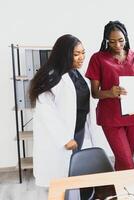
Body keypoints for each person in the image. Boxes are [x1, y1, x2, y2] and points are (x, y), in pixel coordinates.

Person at [29, 34, 97, 187]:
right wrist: (64, 139)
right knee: (61, 178)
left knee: (75, 173)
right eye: (76, 54)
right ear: (64, 54)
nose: (81, 57)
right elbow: (46, 112)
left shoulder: (77, 72)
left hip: (79, 130)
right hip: (63, 137)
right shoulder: (51, 75)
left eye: (83, 52)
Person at [85, 20, 134, 170]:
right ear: (106, 41)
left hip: (133, 116)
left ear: (126, 37)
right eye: (112, 42)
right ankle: (131, 190)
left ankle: (119, 191)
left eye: (120, 40)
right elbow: (94, 93)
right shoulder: (97, 58)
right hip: (111, 118)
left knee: (123, 160)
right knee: (127, 162)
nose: (118, 45)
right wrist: (110, 92)